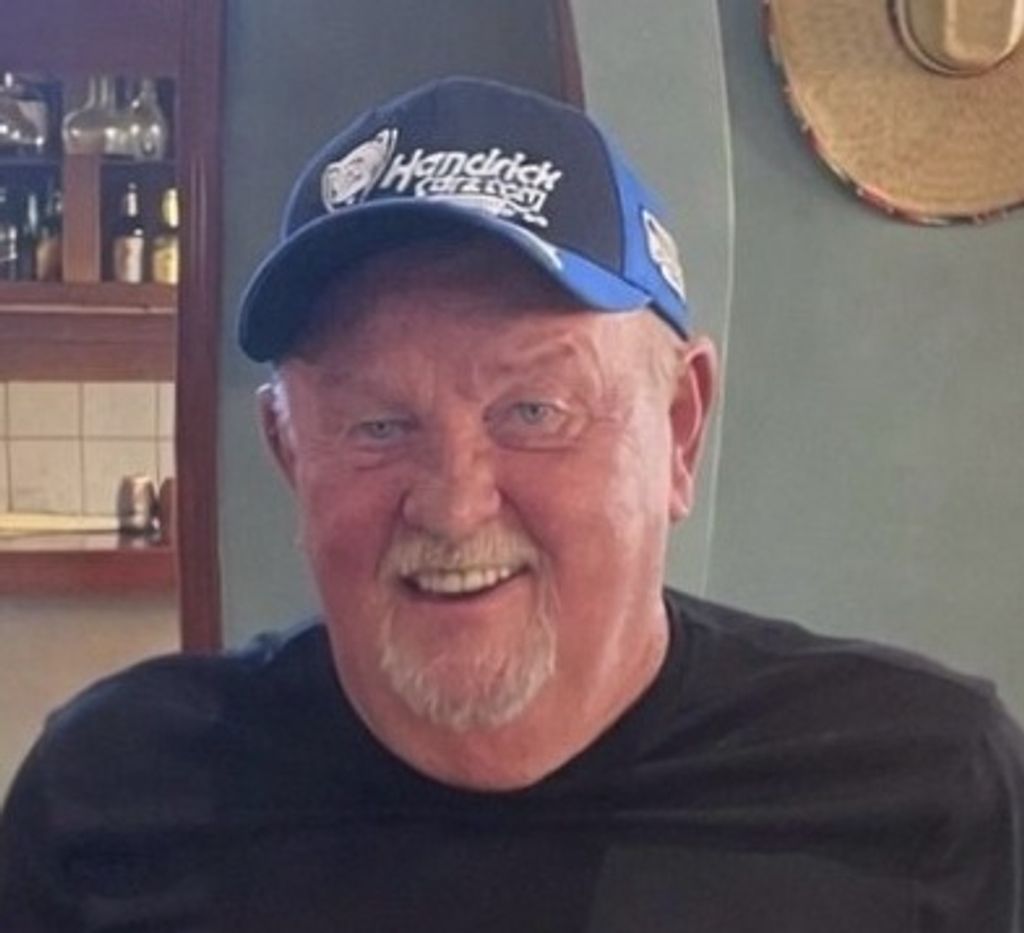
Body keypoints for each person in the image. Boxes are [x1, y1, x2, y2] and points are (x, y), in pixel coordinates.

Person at [1, 76, 1022, 932]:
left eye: (534, 410)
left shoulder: (925, 793)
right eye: (376, 424)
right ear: (288, 451)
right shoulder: (110, 799)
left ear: (678, 428)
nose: (453, 505)